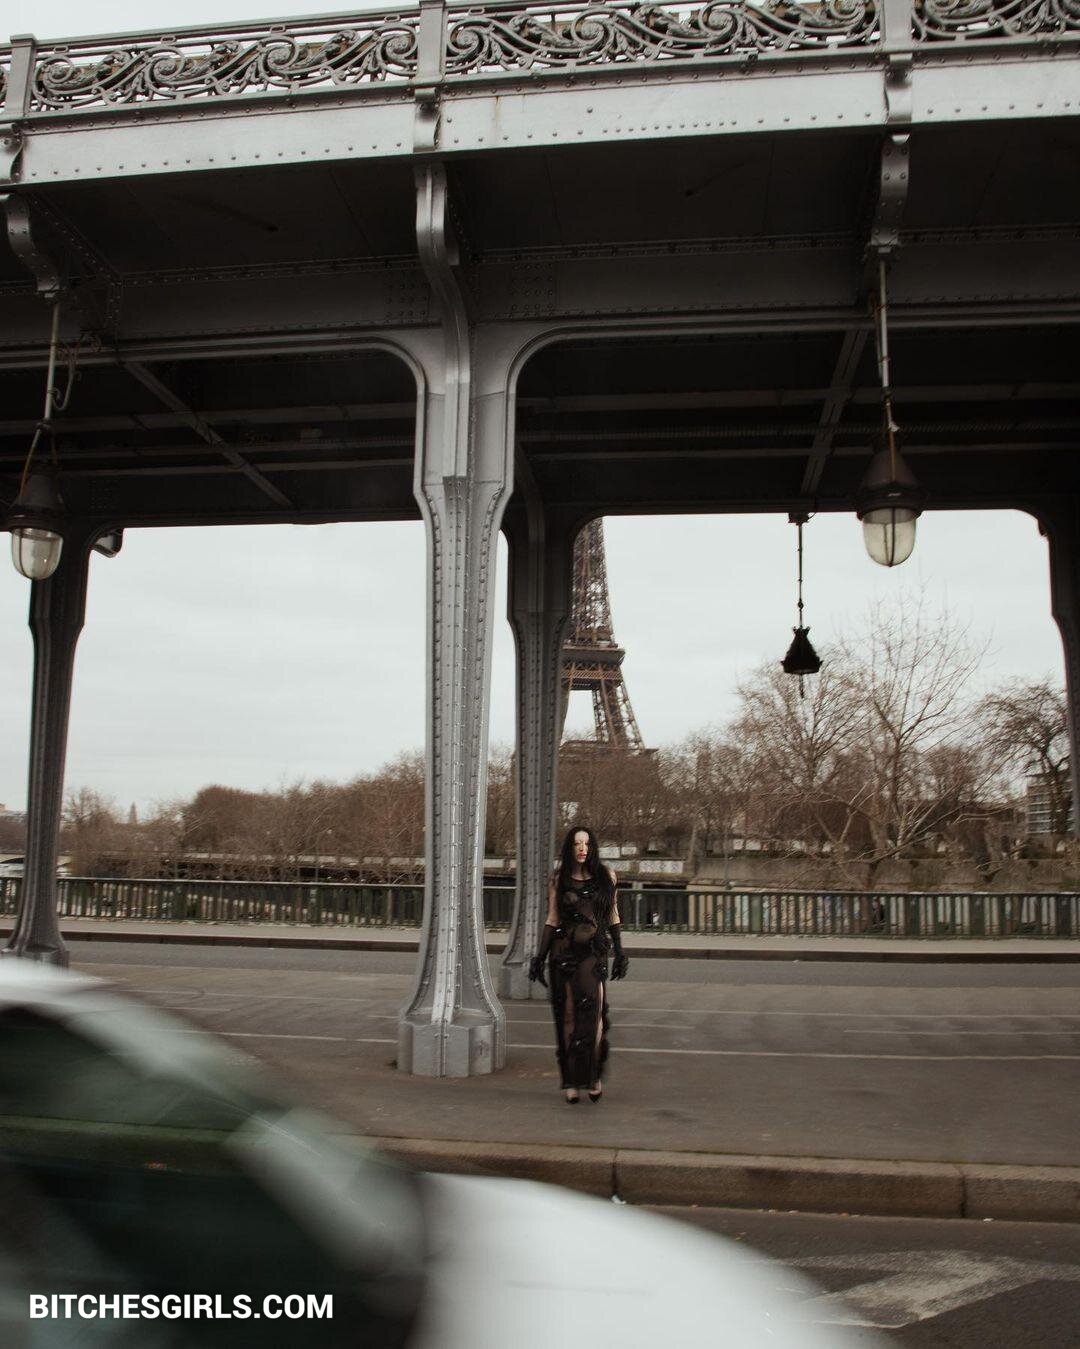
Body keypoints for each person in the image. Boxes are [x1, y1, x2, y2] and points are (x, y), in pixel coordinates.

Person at [528, 825, 629, 1104]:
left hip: (593, 953)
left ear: (593, 847)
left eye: (586, 843)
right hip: (562, 953)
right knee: (568, 1016)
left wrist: (620, 952)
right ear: (569, 848)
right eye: (576, 844)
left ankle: (593, 1075)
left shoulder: (607, 876)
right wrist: (539, 957)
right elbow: (552, 918)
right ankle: (571, 1080)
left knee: (594, 1016)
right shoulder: (558, 878)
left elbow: (613, 915)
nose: (582, 849)